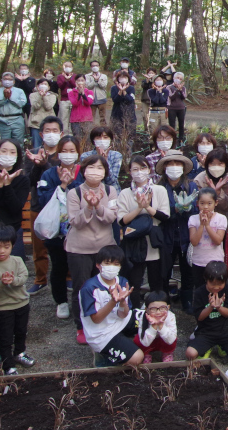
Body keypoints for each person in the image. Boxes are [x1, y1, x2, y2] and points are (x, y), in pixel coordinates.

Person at [67, 154, 120, 344]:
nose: (95, 171)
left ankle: (105, 320)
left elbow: (110, 218)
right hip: (79, 248)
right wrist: (88, 207)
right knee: (81, 287)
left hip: (104, 247)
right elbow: (75, 222)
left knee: (105, 286)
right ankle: (81, 326)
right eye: (91, 167)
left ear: (105, 172)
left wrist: (98, 206)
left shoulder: (110, 190)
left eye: (99, 168)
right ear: (83, 171)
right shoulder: (75, 193)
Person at [36, 135, 82, 317]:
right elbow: (42, 198)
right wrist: (62, 185)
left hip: (78, 229)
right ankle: (61, 301)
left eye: (72, 151)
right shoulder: (48, 174)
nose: (68, 155)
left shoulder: (83, 172)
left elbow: (87, 195)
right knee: (59, 266)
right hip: (55, 231)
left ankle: (81, 300)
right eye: (64, 151)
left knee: (80, 267)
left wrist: (73, 183)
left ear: (78, 153)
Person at [117, 155, 171, 306]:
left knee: (156, 280)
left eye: (143, 168)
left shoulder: (159, 190)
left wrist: (147, 207)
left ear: (149, 170)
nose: (139, 172)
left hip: (154, 242)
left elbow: (165, 216)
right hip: (134, 243)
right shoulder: (125, 193)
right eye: (135, 169)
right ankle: (134, 312)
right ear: (130, 172)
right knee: (134, 281)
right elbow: (121, 220)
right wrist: (139, 208)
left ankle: (158, 309)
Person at [80, 245, 146, 367]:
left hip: (120, 321)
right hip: (101, 333)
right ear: (98, 265)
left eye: (116, 264)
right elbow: (96, 319)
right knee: (137, 358)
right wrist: (113, 301)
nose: (112, 267)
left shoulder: (121, 281)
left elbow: (124, 314)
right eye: (107, 263)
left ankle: (149, 350)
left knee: (151, 318)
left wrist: (121, 302)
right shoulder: (89, 288)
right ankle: (102, 359)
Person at [0, 226, 34, 374]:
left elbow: (24, 277)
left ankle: (20, 353)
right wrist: (2, 283)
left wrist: (13, 280)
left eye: (6, 247)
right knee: (6, 336)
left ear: (12, 246)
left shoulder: (18, 261)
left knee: (21, 331)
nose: (2, 251)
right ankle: (8, 363)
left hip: (22, 304)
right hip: (3, 307)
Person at [24, 117, 62, 295]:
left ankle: (67, 277)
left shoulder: (65, 154)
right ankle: (40, 279)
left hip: (60, 208)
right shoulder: (31, 154)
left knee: (63, 245)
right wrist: (35, 165)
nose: (51, 134)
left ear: (61, 134)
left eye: (55, 131)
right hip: (38, 206)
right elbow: (29, 181)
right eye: (48, 131)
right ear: (41, 134)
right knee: (39, 247)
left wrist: (44, 164)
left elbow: (58, 179)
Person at [185, 261, 228, 363]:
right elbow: (199, 317)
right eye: (212, 284)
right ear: (206, 280)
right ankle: (208, 346)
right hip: (206, 332)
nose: (216, 287)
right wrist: (210, 307)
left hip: (226, 331)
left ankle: (221, 346)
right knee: (190, 354)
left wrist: (219, 307)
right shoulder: (199, 292)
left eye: (220, 284)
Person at [158, 152, 197, 306]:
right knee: (164, 271)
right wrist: (175, 209)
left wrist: (188, 208)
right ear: (165, 167)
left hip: (186, 235)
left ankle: (187, 301)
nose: (174, 167)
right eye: (171, 164)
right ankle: (163, 302)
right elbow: (158, 212)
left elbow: (196, 210)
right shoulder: (159, 188)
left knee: (187, 270)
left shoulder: (191, 186)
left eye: (178, 164)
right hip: (165, 235)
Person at [135, 291, 178, 363]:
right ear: (147, 309)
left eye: (162, 308)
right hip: (149, 341)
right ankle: (146, 353)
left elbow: (171, 340)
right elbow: (145, 342)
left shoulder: (171, 316)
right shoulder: (143, 317)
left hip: (163, 341)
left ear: (168, 307)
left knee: (173, 337)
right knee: (137, 340)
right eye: (153, 309)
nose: (158, 312)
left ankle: (167, 353)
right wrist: (153, 326)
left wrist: (161, 325)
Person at [193, 148, 228, 216]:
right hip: (202, 219)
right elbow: (196, 204)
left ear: (226, 165)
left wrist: (219, 193)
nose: (216, 168)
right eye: (213, 164)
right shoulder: (199, 180)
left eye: (220, 164)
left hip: (223, 221)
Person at [82, 125, 123, 190]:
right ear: (93, 140)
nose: (102, 140)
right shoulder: (86, 156)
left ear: (110, 140)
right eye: (98, 138)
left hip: (111, 191)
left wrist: (105, 161)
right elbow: (87, 178)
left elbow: (111, 181)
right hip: (91, 191)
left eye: (105, 137)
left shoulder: (116, 155)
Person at [0, 72, 28, 142]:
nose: (7, 81)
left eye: (9, 79)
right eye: (5, 79)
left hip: (17, 119)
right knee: (5, 142)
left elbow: (22, 104)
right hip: (3, 120)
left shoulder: (19, 91)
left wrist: (11, 98)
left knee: (19, 142)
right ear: (2, 81)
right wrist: (4, 98)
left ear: (13, 81)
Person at [28, 79, 58, 150]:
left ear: (48, 87)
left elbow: (48, 106)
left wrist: (44, 96)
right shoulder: (32, 95)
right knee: (36, 145)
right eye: (41, 84)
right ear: (37, 87)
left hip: (49, 123)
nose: (43, 86)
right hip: (36, 123)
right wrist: (40, 96)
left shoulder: (53, 96)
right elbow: (35, 106)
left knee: (49, 145)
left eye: (45, 84)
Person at [109, 70, 137, 142]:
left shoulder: (131, 88)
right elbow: (115, 100)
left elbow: (130, 100)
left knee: (129, 135)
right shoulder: (113, 88)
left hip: (129, 113)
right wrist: (120, 91)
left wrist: (124, 91)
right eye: (121, 77)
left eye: (125, 77)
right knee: (117, 134)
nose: (123, 79)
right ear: (117, 79)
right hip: (117, 113)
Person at [67, 74, 95, 140]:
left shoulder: (89, 92)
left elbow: (88, 102)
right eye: (78, 80)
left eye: (82, 80)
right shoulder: (71, 92)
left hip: (87, 119)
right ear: (75, 82)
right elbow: (75, 103)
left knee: (88, 139)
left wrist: (83, 94)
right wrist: (79, 94)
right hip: (75, 119)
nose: (80, 82)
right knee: (77, 139)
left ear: (85, 81)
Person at [56, 61, 77, 133]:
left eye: (69, 66)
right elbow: (60, 86)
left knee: (73, 119)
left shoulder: (75, 76)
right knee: (63, 118)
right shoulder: (60, 76)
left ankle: (72, 134)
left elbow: (76, 86)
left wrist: (70, 80)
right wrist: (65, 80)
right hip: (64, 100)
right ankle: (64, 134)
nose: (68, 68)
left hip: (74, 100)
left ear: (72, 68)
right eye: (66, 66)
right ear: (63, 67)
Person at [86, 60, 109, 125]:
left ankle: (103, 129)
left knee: (103, 117)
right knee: (91, 117)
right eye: (93, 65)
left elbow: (103, 85)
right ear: (90, 67)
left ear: (99, 66)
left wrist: (98, 80)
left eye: (96, 65)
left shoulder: (103, 76)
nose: (95, 67)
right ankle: (91, 130)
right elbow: (87, 86)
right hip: (91, 99)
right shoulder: (87, 76)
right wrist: (94, 81)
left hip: (101, 98)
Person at [167, 72, 188, 139]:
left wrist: (181, 90)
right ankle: (173, 139)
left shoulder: (183, 88)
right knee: (172, 125)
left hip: (181, 108)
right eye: (177, 78)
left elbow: (184, 97)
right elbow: (171, 97)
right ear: (174, 78)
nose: (179, 79)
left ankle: (181, 139)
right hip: (172, 108)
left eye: (180, 79)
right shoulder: (169, 87)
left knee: (181, 125)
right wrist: (177, 90)